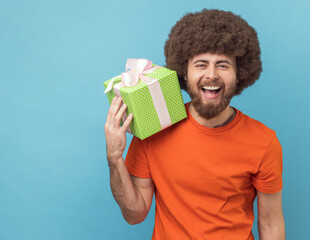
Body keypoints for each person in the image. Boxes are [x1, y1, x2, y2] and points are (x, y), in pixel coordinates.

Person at [104, 9, 285, 240]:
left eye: (223, 65)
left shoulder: (264, 142)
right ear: (185, 73)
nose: (211, 75)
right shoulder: (155, 128)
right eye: (201, 64)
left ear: (239, 74)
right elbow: (135, 214)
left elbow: (271, 224)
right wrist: (114, 157)